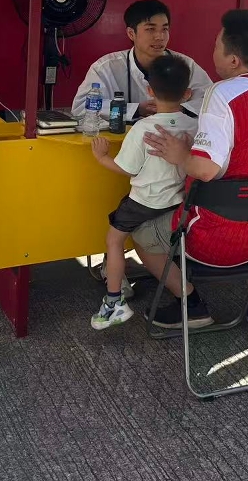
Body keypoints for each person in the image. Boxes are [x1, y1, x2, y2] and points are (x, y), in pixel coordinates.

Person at [131, 9, 248, 341]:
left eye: (216, 46)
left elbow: (205, 170)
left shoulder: (223, 93)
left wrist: (181, 154)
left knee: (142, 233)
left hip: (213, 240)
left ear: (233, 60)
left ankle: (191, 303)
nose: (213, 52)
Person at [88, 55, 197, 330]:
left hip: (143, 201)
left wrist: (102, 158)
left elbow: (127, 168)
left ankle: (114, 301)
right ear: (187, 93)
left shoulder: (143, 128)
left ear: (149, 91)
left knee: (114, 240)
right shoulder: (194, 125)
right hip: (176, 201)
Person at [70, 0, 212, 119]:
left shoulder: (185, 65)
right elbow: (80, 108)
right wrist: (135, 110)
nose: (160, 37)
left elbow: (212, 101)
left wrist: (178, 109)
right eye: (150, 29)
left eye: (165, 29)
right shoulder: (106, 68)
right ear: (131, 33)